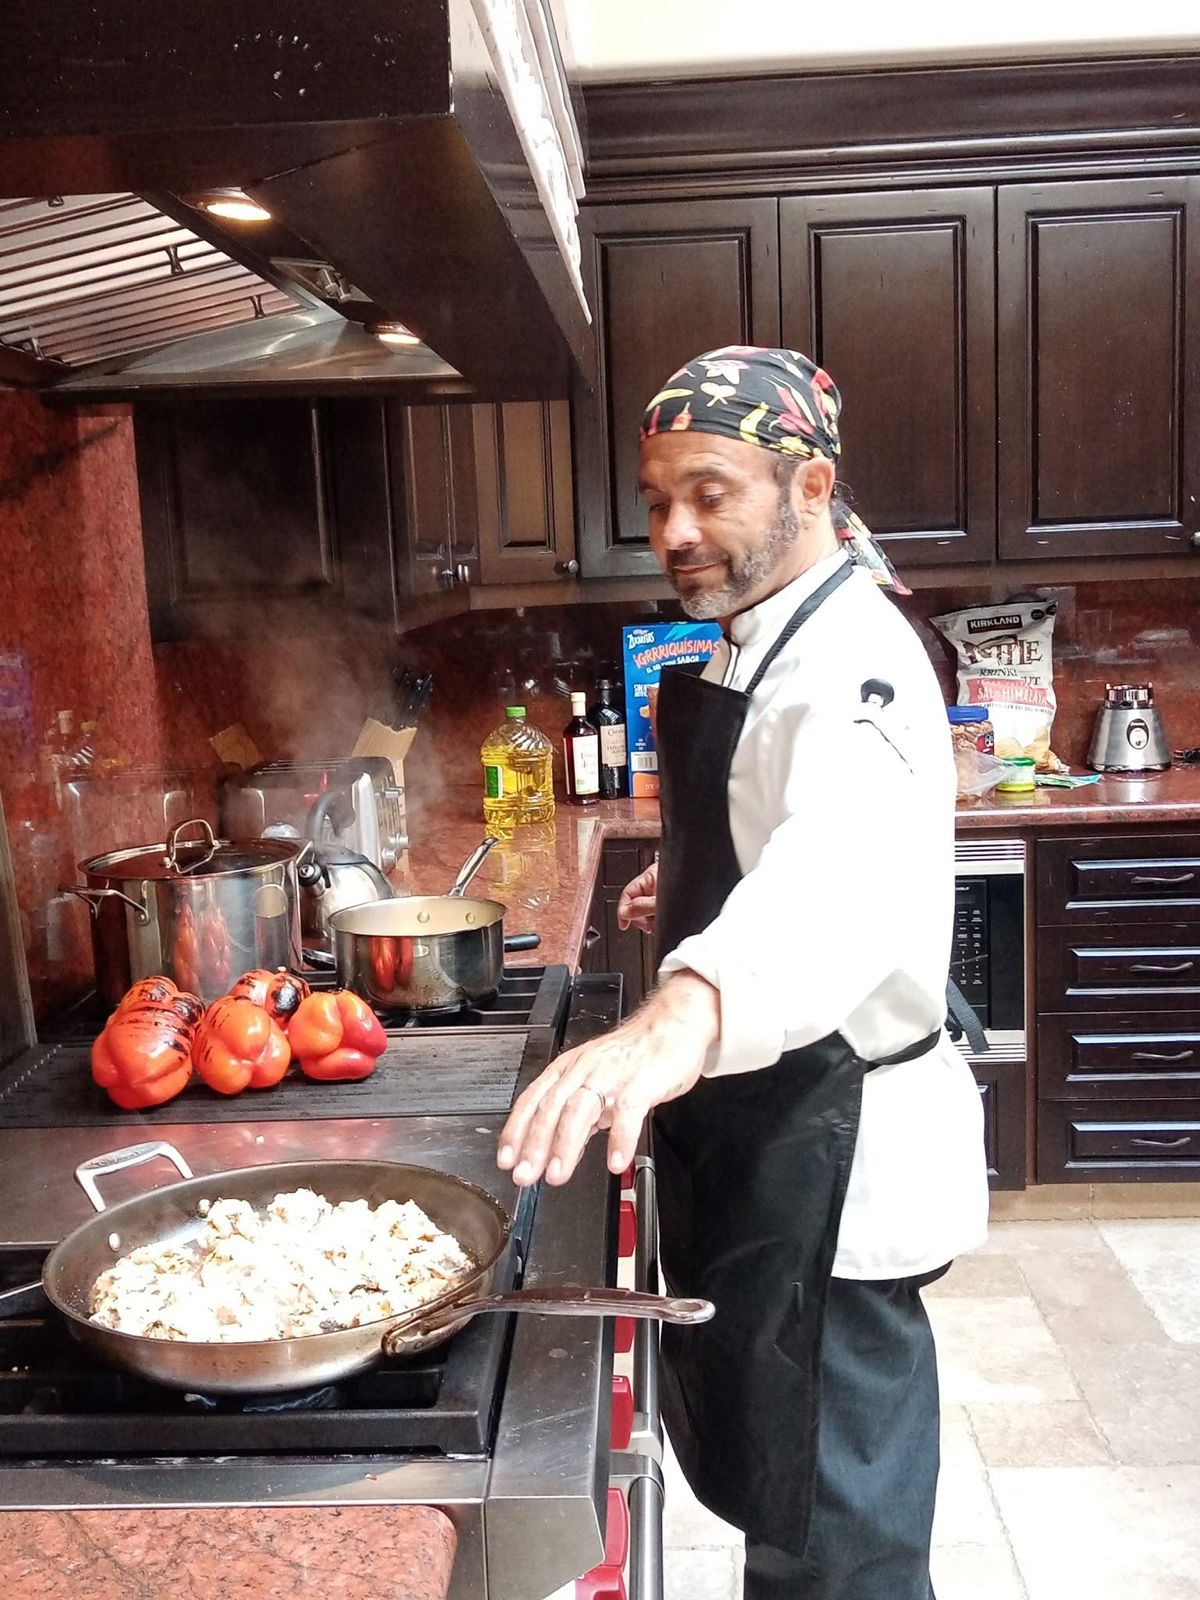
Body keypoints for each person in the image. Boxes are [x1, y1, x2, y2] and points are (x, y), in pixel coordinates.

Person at [497, 346, 989, 1599]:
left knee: (845, 1536)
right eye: (660, 497)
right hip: (776, 1122)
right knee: (789, 1495)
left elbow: (838, 877)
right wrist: (702, 888)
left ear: (807, 483)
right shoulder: (758, 632)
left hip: (837, 1151)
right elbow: (776, 835)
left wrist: (686, 1003)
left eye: (711, 493)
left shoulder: (856, 662)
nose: (674, 529)